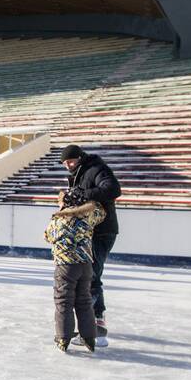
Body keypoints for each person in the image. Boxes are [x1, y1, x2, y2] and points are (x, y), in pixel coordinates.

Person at [60, 144, 121, 342]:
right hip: (87, 232)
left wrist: (82, 194)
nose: (68, 165)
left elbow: (112, 189)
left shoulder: (95, 168)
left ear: (80, 157)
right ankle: (93, 323)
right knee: (88, 276)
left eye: (70, 161)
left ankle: (97, 327)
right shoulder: (78, 173)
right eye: (64, 163)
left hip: (101, 231)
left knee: (92, 275)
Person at [44, 189, 106, 352]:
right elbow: (101, 213)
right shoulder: (88, 218)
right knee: (84, 301)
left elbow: (47, 236)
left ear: (65, 203)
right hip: (86, 265)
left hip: (65, 266)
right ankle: (89, 337)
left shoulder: (58, 220)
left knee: (64, 301)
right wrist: (91, 203)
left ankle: (63, 338)